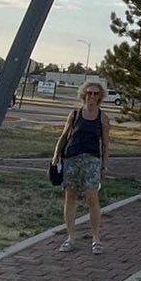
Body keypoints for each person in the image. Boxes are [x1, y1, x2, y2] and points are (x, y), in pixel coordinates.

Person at [52, 81, 109, 253]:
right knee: (71, 198)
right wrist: (55, 157)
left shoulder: (103, 118)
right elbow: (64, 137)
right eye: (90, 93)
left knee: (92, 199)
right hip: (72, 159)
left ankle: (96, 239)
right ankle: (70, 238)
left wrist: (104, 166)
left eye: (96, 94)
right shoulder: (75, 114)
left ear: (100, 97)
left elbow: (105, 144)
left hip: (92, 160)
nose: (92, 96)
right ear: (84, 94)